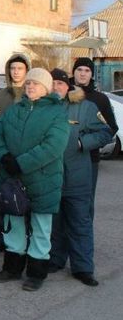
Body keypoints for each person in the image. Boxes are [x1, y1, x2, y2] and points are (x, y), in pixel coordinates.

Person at [0, 68, 69, 291]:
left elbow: (53, 147)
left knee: (41, 227)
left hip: (43, 180)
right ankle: (12, 267)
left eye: (36, 83)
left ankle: (36, 273)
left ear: (46, 87)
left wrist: (21, 163)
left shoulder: (57, 113)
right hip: (12, 178)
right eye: (28, 83)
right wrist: (4, 156)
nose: (31, 87)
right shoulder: (14, 110)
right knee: (13, 222)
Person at [49, 69, 111, 287]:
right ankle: (55, 259)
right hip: (51, 179)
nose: (56, 87)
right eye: (53, 83)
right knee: (54, 223)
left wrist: (82, 143)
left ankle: (83, 268)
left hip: (77, 177)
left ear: (68, 86)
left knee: (79, 224)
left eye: (60, 83)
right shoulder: (42, 108)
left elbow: (105, 132)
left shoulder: (85, 107)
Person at [0, 52, 31, 253]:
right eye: (13, 68)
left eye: (20, 68)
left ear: (27, 71)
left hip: (27, 156)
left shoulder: (33, 93)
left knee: (26, 199)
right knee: (4, 197)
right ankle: (3, 239)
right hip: (4, 156)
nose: (16, 72)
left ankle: (27, 239)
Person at [71, 57, 118, 216]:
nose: (83, 74)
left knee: (84, 206)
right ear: (73, 72)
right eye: (79, 70)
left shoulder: (100, 99)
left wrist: (83, 143)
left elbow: (111, 128)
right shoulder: (64, 93)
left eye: (87, 70)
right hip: (61, 160)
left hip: (89, 159)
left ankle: (82, 240)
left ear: (91, 74)